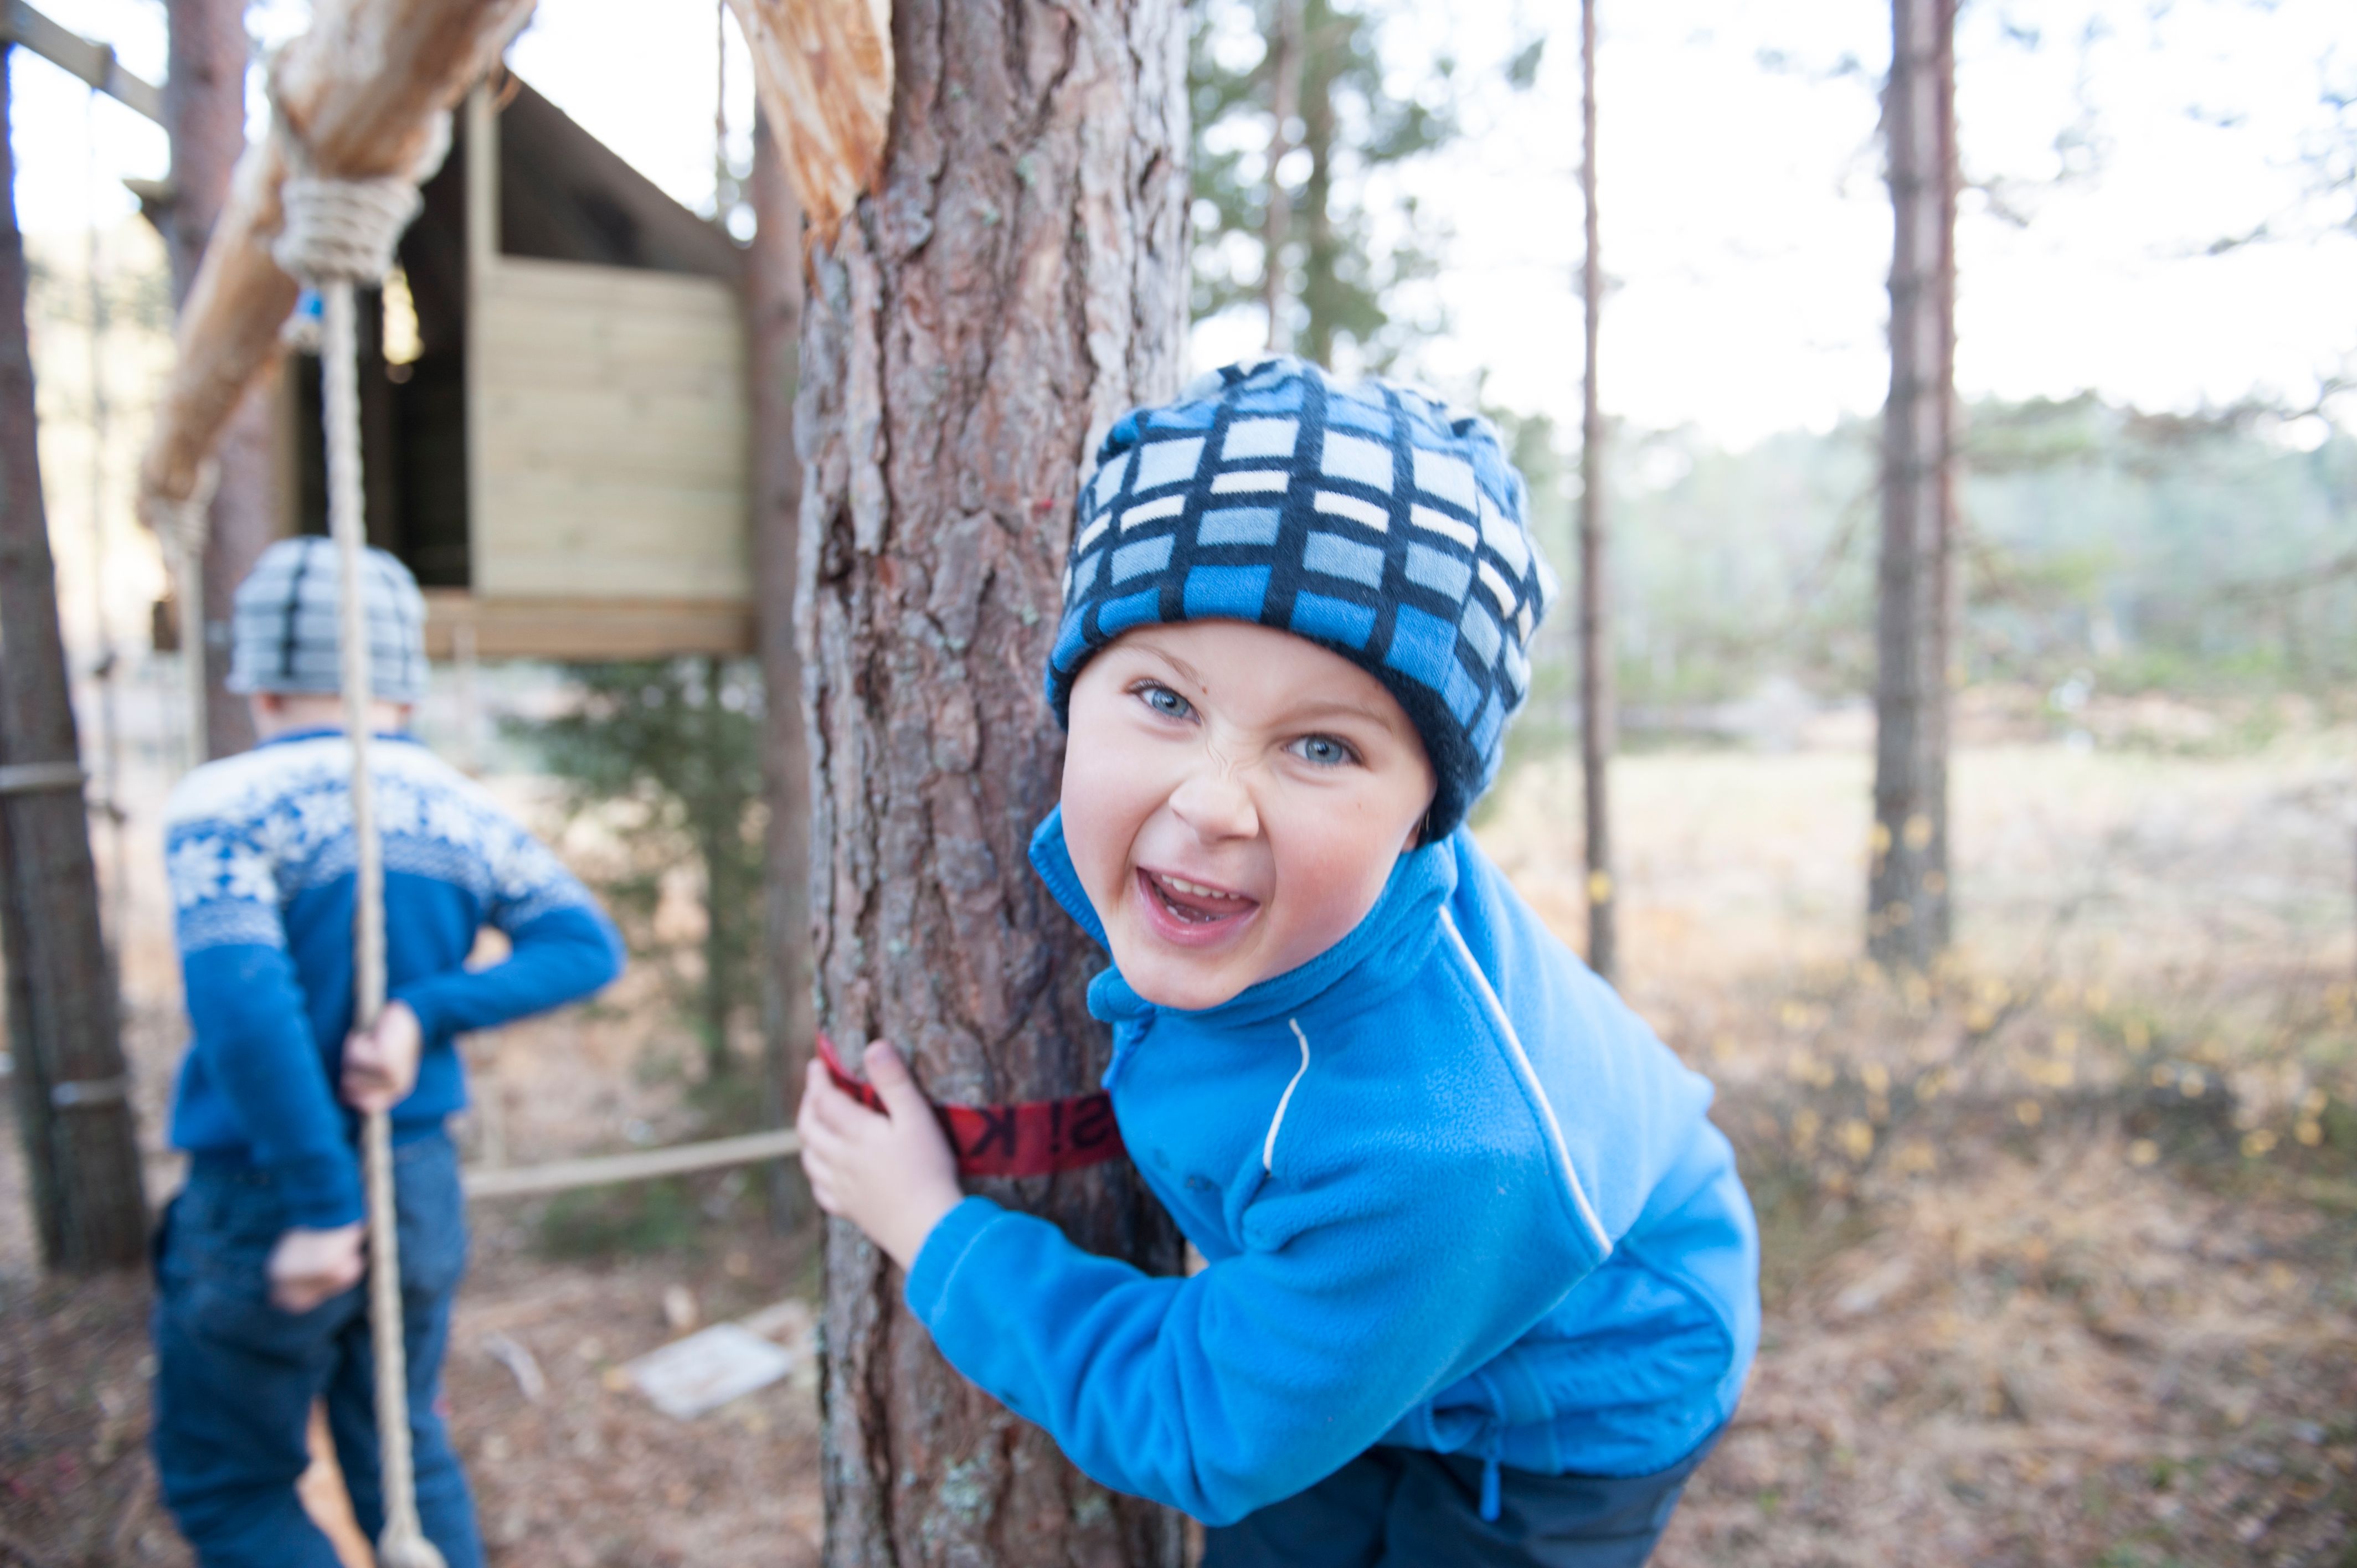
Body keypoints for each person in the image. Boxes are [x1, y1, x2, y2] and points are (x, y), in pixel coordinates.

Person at [796, 357, 1759, 1567]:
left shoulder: (1437, 1150)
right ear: (1071, 694)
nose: (1211, 805)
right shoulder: (1229, 888)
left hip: (1573, 1389)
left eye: (1319, 745)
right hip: (1366, 1306)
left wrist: (934, 1228)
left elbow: (1203, 1423)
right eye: (1161, 698)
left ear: (1423, 820)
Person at [151, 537, 624, 1568]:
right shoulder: (460, 808)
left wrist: (323, 1206)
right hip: (414, 1186)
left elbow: (246, 1011)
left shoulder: (220, 806)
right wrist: (424, 1012)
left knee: (230, 1484)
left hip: (270, 1193)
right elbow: (584, 946)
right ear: (401, 688)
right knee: (403, 1454)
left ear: (261, 685)